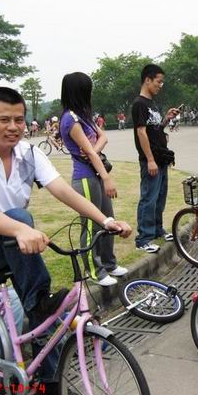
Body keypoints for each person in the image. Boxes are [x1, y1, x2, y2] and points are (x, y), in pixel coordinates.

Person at [0, 87, 131, 395]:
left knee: (49, 317)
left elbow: (63, 191)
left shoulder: (29, 153)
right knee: (20, 221)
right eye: (4, 120)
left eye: (19, 120)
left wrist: (105, 220)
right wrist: (19, 229)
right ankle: (38, 308)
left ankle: (50, 385)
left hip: (13, 248)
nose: (14, 127)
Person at [60, 72, 128, 287]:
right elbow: (88, 153)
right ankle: (94, 271)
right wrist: (107, 177)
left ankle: (109, 263)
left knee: (108, 218)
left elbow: (102, 139)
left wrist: (92, 150)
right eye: (88, 89)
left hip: (94, 173)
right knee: (91, 226)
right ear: (80, 91)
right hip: (85, 178)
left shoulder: (84, 116)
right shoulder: (70, 119)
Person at [132, 64, 179, 253]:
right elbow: (141, 133)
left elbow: (155, 129)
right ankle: (143, 238)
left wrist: (166, 118)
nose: (161, 85)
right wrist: (149, 159)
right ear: (147, 80)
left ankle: (158, 230)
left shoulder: (152, 103)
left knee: (160, 197)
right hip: (150, 159)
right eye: (159, 81)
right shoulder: (139, 104)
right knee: (149, 198)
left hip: (161, 157)